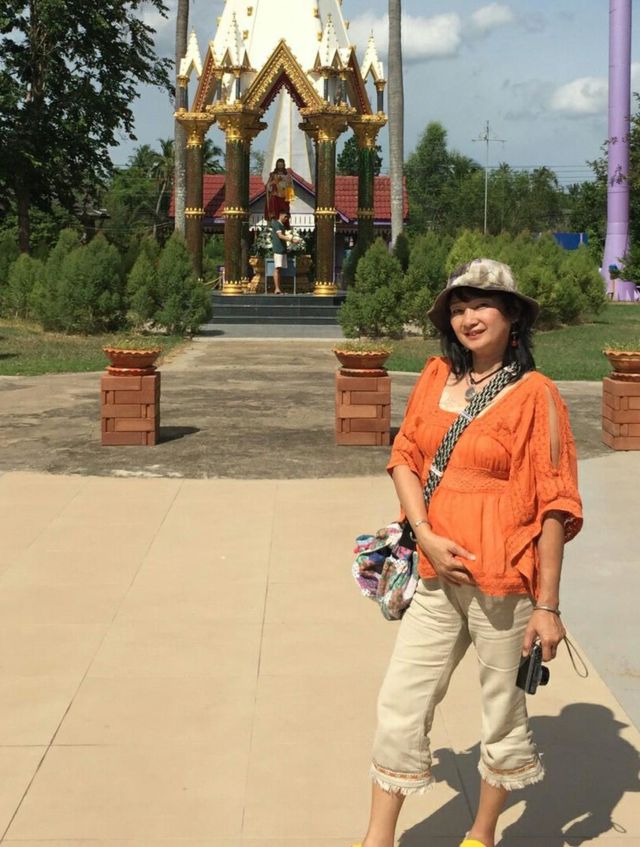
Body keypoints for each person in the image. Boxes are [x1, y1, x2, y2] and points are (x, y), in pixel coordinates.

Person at [353, 258, 583, 847]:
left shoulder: (537, 396)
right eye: (458, 308)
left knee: (502, 712)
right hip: (435, 577)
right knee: (401, 703)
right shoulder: (436, 376)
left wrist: (548, 606)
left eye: (482, 305)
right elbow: (405, 456)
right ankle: (377, 839)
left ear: (512, 317)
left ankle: (481, 834)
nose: (468, 318)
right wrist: (425, 532)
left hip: (504, 585)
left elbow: (554, 504)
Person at [271, 210, 294, 295]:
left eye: (287, 217)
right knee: (277, 268)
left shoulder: (282, 225)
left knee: (280, 269)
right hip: (278, 250)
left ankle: (279, 288)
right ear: (281, 215)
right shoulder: (276, 224)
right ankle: (277, 288)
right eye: (285, 217)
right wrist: (291, 239)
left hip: (282, 250)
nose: (286, 219)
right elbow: (280, 236)